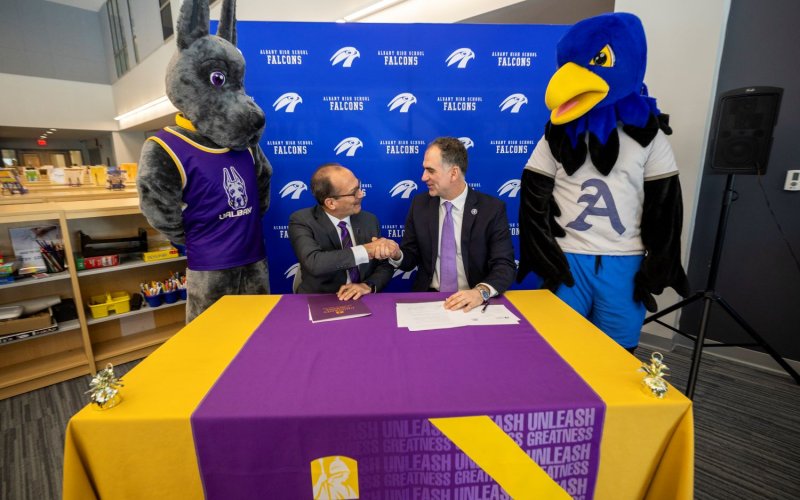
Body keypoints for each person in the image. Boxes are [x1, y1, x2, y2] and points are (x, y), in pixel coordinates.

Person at [388, 137, 516, 312]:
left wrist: (480, 292)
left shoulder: (491, 210)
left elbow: (504, 265)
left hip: (473, 302)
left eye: (430, 170)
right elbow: (410, 257)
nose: (423, 177)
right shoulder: (419, 205)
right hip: (428, 300)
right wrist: (397, 254)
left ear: (454, 173)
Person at [289, 163, 397, 300]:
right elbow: (314, 263)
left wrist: (368, 285)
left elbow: (384, 265)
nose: (361, 194)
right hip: (320, 299)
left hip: (362, 299)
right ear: (331, 203)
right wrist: (365, 250)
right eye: (354, 192)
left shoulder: (369, 220)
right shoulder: (302, 220)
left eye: (359, 187)